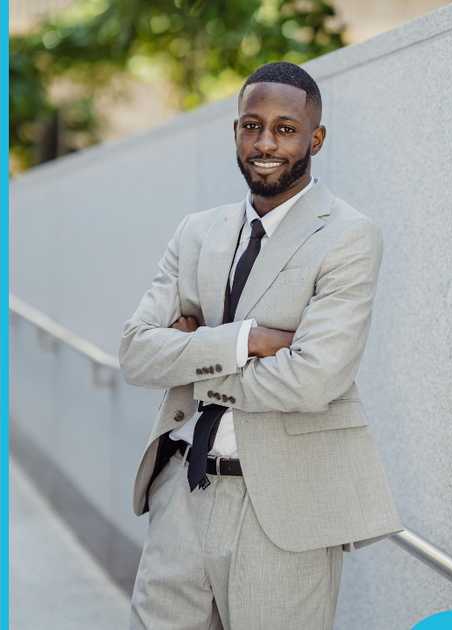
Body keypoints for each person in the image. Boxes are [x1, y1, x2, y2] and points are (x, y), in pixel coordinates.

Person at [118, 62, 401, 629]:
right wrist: (248, 339)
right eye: (252, 125)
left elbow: (312, 378)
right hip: (181, 489)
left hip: (283, 506)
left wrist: (194, 351)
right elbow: (135, 353)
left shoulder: (348, 235)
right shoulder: (195, 232)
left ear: (315, 138)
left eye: (285, 128)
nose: (265, 142)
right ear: (236, 132)